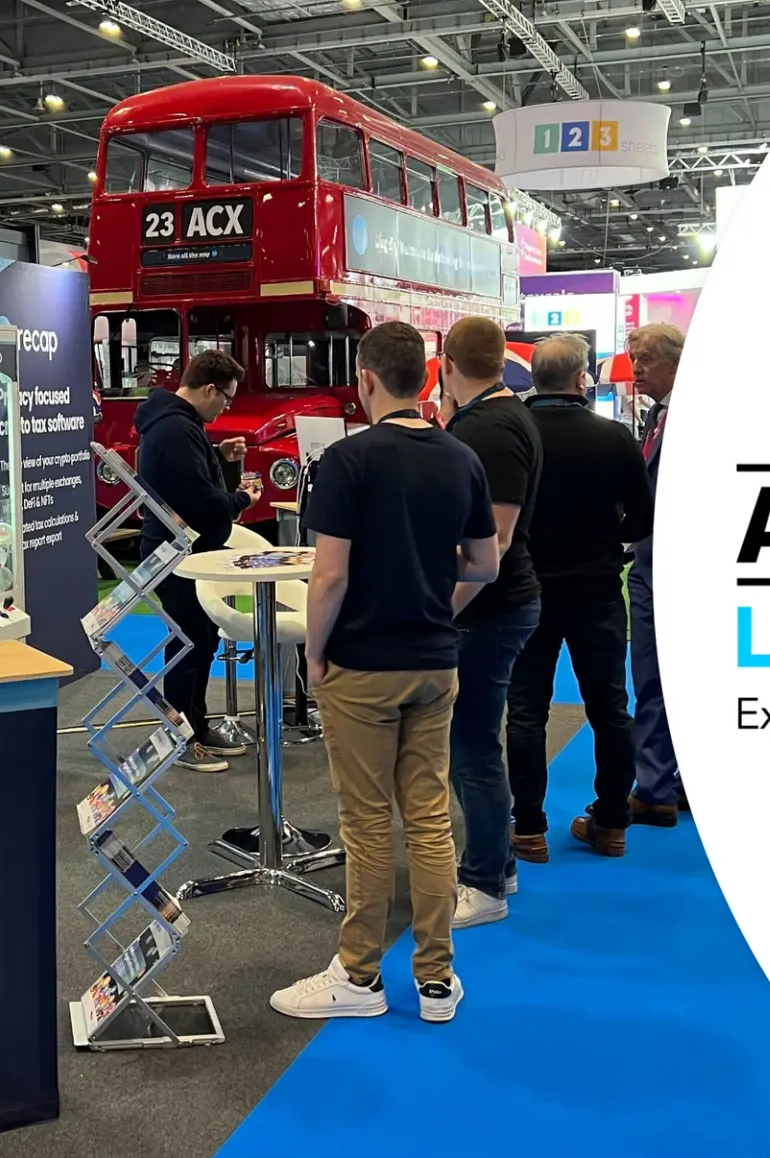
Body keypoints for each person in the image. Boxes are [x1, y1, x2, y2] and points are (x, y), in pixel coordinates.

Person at [270, 321, 499, 1024]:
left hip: (362, 667)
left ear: (365, 380)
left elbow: (330, 575)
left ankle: (360, 977)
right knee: (429, 819)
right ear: (427, 379)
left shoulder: (345, 462)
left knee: (367, 825)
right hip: (435, 661)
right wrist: (437, 604)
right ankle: (436, 982)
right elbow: (485, 564)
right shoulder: (462, 457)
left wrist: (313, 652)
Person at [505, 335, 654, 858]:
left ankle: (526, 828)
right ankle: (612, 822)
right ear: (580, 378)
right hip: (596, 587)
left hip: (527, 588)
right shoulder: (614, 438)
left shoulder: (514, 436)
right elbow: (643, 517)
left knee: (526, 710)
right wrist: (609, 535)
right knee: (610, 707)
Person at [438, 317, 542, 928]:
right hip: (495, 605)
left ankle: (483, 882)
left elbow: (493, 542)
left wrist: (439, 610)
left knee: (472, 748)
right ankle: (496, 864)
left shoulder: (492, 427)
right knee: (476, 744)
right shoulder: (499, 417)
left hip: (489, 609)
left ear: (448, 363)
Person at [134, 349, 262, 773]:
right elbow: (200, 501)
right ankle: (181, 734)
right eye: (225, 398)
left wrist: (218, 457)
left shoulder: (177, 425)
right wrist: (243, 498)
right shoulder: (175, 430)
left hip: (190, 553)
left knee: (200, 640)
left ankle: (195, 723)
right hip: (180, 556)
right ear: (208, 388)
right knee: (189, 645)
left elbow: (191, 480)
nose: (226, 406)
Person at [626, 323, 684, 825]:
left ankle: (654, 786)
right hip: (651, 558)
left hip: (666, 563)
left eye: (645, 359)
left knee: (654, 673)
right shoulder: (658, 415)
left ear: (675, 361)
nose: (636, 369)